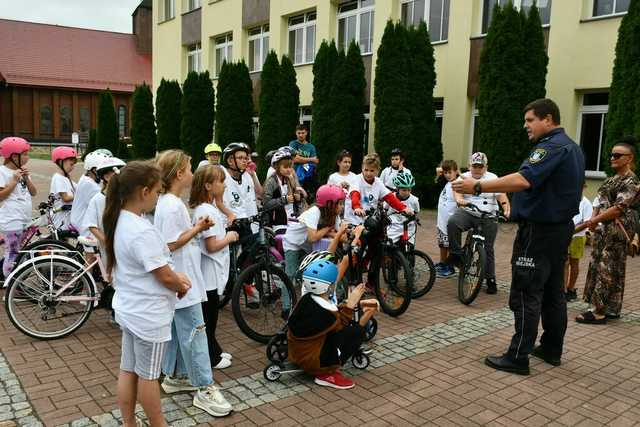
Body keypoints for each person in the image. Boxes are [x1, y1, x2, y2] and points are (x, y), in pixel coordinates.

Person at [453, 98, 585, 374]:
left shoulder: (550, 147)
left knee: (526, 291)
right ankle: (551, 348)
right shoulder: (573, 148)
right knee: (552, 291)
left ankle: (518, 356)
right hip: (560, 230)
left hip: (538, 232)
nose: (526, 126)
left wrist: (477, 186)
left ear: (548, 119)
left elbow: (524, 179)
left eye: (530, 120)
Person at [103, 160, 191, 427]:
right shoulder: (140, 230)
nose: (158, 197)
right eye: (156, 191)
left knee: (129, 370)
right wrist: (181, 283)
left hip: (130, 309)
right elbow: (163, 275)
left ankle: (129, 423)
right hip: (148, 316)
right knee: (149, 376)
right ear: (144, 192)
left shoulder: (121, 220)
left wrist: (175, 280)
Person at [154, 150, 232, 417]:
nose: (192, 173)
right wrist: (198, 230)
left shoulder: (171, 202)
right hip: (182, 281)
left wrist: (195, 227)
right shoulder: (172, 204)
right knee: (196, 332)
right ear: (178, 174)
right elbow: (170, 243)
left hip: (181, 280)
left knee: (179, 332)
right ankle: (204, 388)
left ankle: (175, 376)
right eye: (188, 168)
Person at [576, 137, 640, 324]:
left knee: (609, 267)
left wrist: (594, 219)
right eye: (611, 154)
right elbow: (600, 199)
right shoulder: (611, 179)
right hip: (603, 229)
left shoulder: (631, 181)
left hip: (617, 230)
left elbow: (619, 207)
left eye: (617, 155)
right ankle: (611, 307)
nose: (612, 158)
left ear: (629, 158)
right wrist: (594, 219)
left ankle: (598, 312)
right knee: (599, 264)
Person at [287, 260, 379, 390]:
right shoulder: (327, 314)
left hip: (298, 352)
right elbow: (342, 323)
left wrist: (352, 305)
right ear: (329, 286)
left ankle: (325, 366)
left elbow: (333, 312)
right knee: (356, 332)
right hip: (313, 361)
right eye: (334, 282)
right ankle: (326, 373)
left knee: (349, 329)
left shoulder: (307, 299)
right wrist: (351, 304)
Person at [189, 165, 238, 370]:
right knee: (209, 316)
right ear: (208, 185)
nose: (224, 184)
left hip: (209, 271)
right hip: (208, 272)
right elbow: (210, 246)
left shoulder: (208, 208)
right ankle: (211, 356)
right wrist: (230, 237)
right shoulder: (206, 211)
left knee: (210, 314)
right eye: (220, 181)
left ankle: (214, 349)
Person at [445, 152, 510, 295]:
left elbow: (501, 195)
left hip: (489, 215)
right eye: (475, 166)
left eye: (480, 166)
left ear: (486, 167)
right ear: (470, 166)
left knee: (488, 249)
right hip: (469, 211)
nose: (477, 169)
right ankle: (457, 254)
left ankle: (490, 279)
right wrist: (461, 201)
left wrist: (505, 208)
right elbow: (457, 193)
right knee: (453, 223)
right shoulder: (464, 177)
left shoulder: (493, 178)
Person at [282, 184, 345, 317]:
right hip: (294, 242)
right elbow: (312, 237)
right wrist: (329, 229)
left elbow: (340, 236)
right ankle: (286, 308)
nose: (342, 207)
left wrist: (346, 233)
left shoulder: (334, 215)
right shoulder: (314, 212)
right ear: (329, 204)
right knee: (290, 274)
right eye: (339, 203)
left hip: (308, 244)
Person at [0, 137, 37, 278]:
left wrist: (27, 179)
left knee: (19, 252)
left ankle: (15, 282)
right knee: (12, 253)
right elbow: (1, 196)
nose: (27, 157)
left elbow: (33, 193)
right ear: (14, 156)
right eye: (25, 154)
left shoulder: (22, 170)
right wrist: (13, 182)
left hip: (24, 218)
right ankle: (11, 283)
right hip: (11, 219)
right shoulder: (2, 172)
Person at [71, 150, 111, 263]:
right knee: (91, 259)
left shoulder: (86, 179)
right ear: (95, 170)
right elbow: (105, 199)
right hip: (85, 225)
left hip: (82, 220)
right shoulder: (90, 185)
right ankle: (85, 279)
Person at [221, 142, 263, 238]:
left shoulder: (248, 174)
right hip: (229, 223)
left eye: (246, 158)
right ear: (230, 161)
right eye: (241, 158)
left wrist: (253, 175)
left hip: (248, 222)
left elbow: (260, 194)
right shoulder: (222, 175)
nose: (245, 161)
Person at [262, 147, 305, 232]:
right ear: (277, 166)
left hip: (293, 220)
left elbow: (298, 202)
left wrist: (299, 199)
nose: (289, 170)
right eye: (285, 167)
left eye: (290, 167)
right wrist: (284, 200)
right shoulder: (271, 182)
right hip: (278, 224)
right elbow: (266, 204)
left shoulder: (290, 178)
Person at [564, 183, 592, 302]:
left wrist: (572, 231)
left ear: (584, 187)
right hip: (565, 235)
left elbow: (586, 222)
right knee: (564, 262)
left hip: (578, 237)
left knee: (573, 262)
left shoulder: (586, 203)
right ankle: (563, 290)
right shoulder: (568, 199)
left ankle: (571, 289)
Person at [435, 160, 459, 278]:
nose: (447, 175)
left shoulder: (458, 183)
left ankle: (450, 267)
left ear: (456, 172)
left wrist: (458, 173)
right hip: (441, 221)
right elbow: (438, 170)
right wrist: (444, 170)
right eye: (445, 173)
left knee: (449, 245)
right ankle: (443, 262)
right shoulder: (447, 182)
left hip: (450, 221)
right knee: (442, 244)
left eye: (450, 172)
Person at [328, 150, 365, 224]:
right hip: (337, 208)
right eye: (345, 162)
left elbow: (356, 192)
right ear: (339, 162)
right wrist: (339, 188)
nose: (347, 164)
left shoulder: (354, 176)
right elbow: (328, 192)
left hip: (350, 210)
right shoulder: (333, 177)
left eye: (349, 162)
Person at [386, 173, 420, 245]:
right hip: (393, 226)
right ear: (398, 189)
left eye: (409, 190)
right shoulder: (390, 197)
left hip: (408, 227)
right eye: (404, 190)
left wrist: (415, 217)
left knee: (409, 248)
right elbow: (385, 211)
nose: (407, 192)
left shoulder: (414, 200)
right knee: (388, 246)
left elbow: (416, 212)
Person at [50, 146, 78, 230]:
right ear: (60, 162)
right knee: (61, 242)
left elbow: (79, 188)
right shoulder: (58, 178)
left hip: (66, 216)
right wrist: (79, 196)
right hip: (60, 218)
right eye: (71, 164)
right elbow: (65, 198)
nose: (73, 167)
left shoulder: (66, 178)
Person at [289, 124, 319, 202]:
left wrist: (302, 159)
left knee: (306, 199)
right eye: (299, 133)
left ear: (306, 133)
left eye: (303, 133)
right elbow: (295, 159)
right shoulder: (293, 144)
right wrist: (311, 159)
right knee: (295, 199)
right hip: (294, 176)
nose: (301, 135)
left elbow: (315, 162)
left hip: (307, 178)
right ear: (296, 133)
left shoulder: (311, 147)